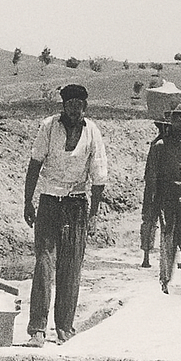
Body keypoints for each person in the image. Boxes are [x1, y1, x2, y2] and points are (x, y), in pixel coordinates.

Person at [23, 84, 109, 346]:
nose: (74, 109)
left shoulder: (92, 131)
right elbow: (35, 163)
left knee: (71, 267)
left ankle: (64, 327)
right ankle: (37, 329)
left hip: (76, 205)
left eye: (79, 105)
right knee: (44, 264)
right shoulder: (49, 126)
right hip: (49, 201)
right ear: (63, 106)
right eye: (70, 104)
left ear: (85, 106)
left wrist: (93, 215)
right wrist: (28, 202)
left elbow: (99, 177)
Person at [142, 106, 181, 296]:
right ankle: (165, 281)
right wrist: (153, 204)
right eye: (178, 119)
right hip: (168, 195)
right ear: (171, 122)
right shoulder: (160, 147)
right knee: (169, 240)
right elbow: (151, 178)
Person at [138, 115, 171, 267]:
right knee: (155, 222)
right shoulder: (160, 145)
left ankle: (147, 256)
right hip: (158, 188)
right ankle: (148, 256)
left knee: (151, 222)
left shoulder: (158, 144)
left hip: (157, 188)